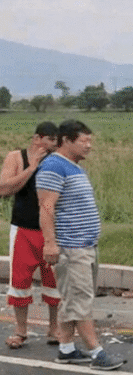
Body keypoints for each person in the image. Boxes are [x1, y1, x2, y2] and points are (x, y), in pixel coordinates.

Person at [37, 120, 125, 370]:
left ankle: (66, 349)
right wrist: (50, 243)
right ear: (66, 140)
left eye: (90, 141)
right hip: (71, 247)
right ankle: (97, 352)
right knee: (81, 301)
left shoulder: (74, 167)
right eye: (83, 141)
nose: (88, 146)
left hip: (85, 245)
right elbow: (46, 207)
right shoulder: (54, 166)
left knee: (73, 299)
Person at [0, 122, 60, 349]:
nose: (55, 145)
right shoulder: (16, 157)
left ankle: (54, 328)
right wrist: (31, 168)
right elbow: (4, 189)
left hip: (52, 229)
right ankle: (20, 330)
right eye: (51, 140)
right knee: (20, 281)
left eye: (57, 141)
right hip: (23, 228)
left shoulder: (59, 159)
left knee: (55, 281)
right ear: (37, 138)